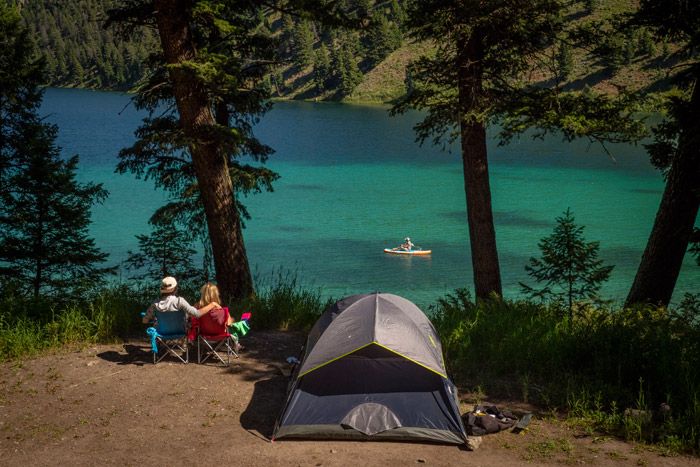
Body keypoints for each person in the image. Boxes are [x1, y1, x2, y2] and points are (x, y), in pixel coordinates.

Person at [142, 276, 220, 325]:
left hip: (162, 332)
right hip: (179, 331)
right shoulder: (180, 301)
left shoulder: (155, 303)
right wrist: (212, 304)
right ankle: (186, 345)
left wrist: (154, 319)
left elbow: (145, 321)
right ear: (175, 289)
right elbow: (196, 314)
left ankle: (161, 346)